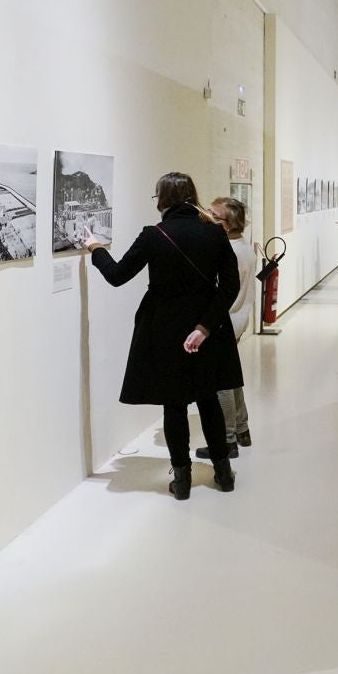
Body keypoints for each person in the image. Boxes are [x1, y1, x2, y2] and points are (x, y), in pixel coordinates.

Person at [84, 172, 239, 499]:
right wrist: (204, 327)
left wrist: (96, 248)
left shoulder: (154, 235)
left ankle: (181, 480)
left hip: (165, 328)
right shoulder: (214, 232)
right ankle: (224, 474)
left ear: (163, 200)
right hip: (205, 329)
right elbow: (229, 286)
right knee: (208, 399)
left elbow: (116, 276)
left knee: (175, 404)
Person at [195, 196, 254, 460]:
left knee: (221, 384)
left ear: (229, 225)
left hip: (226, 320)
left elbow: (224, 291)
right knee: (232, 377)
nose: (206, 218)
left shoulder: (233, 252)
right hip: (235, 318)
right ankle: (241, 429)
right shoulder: (242, 246)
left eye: (213, 216)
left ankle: (227, 439)